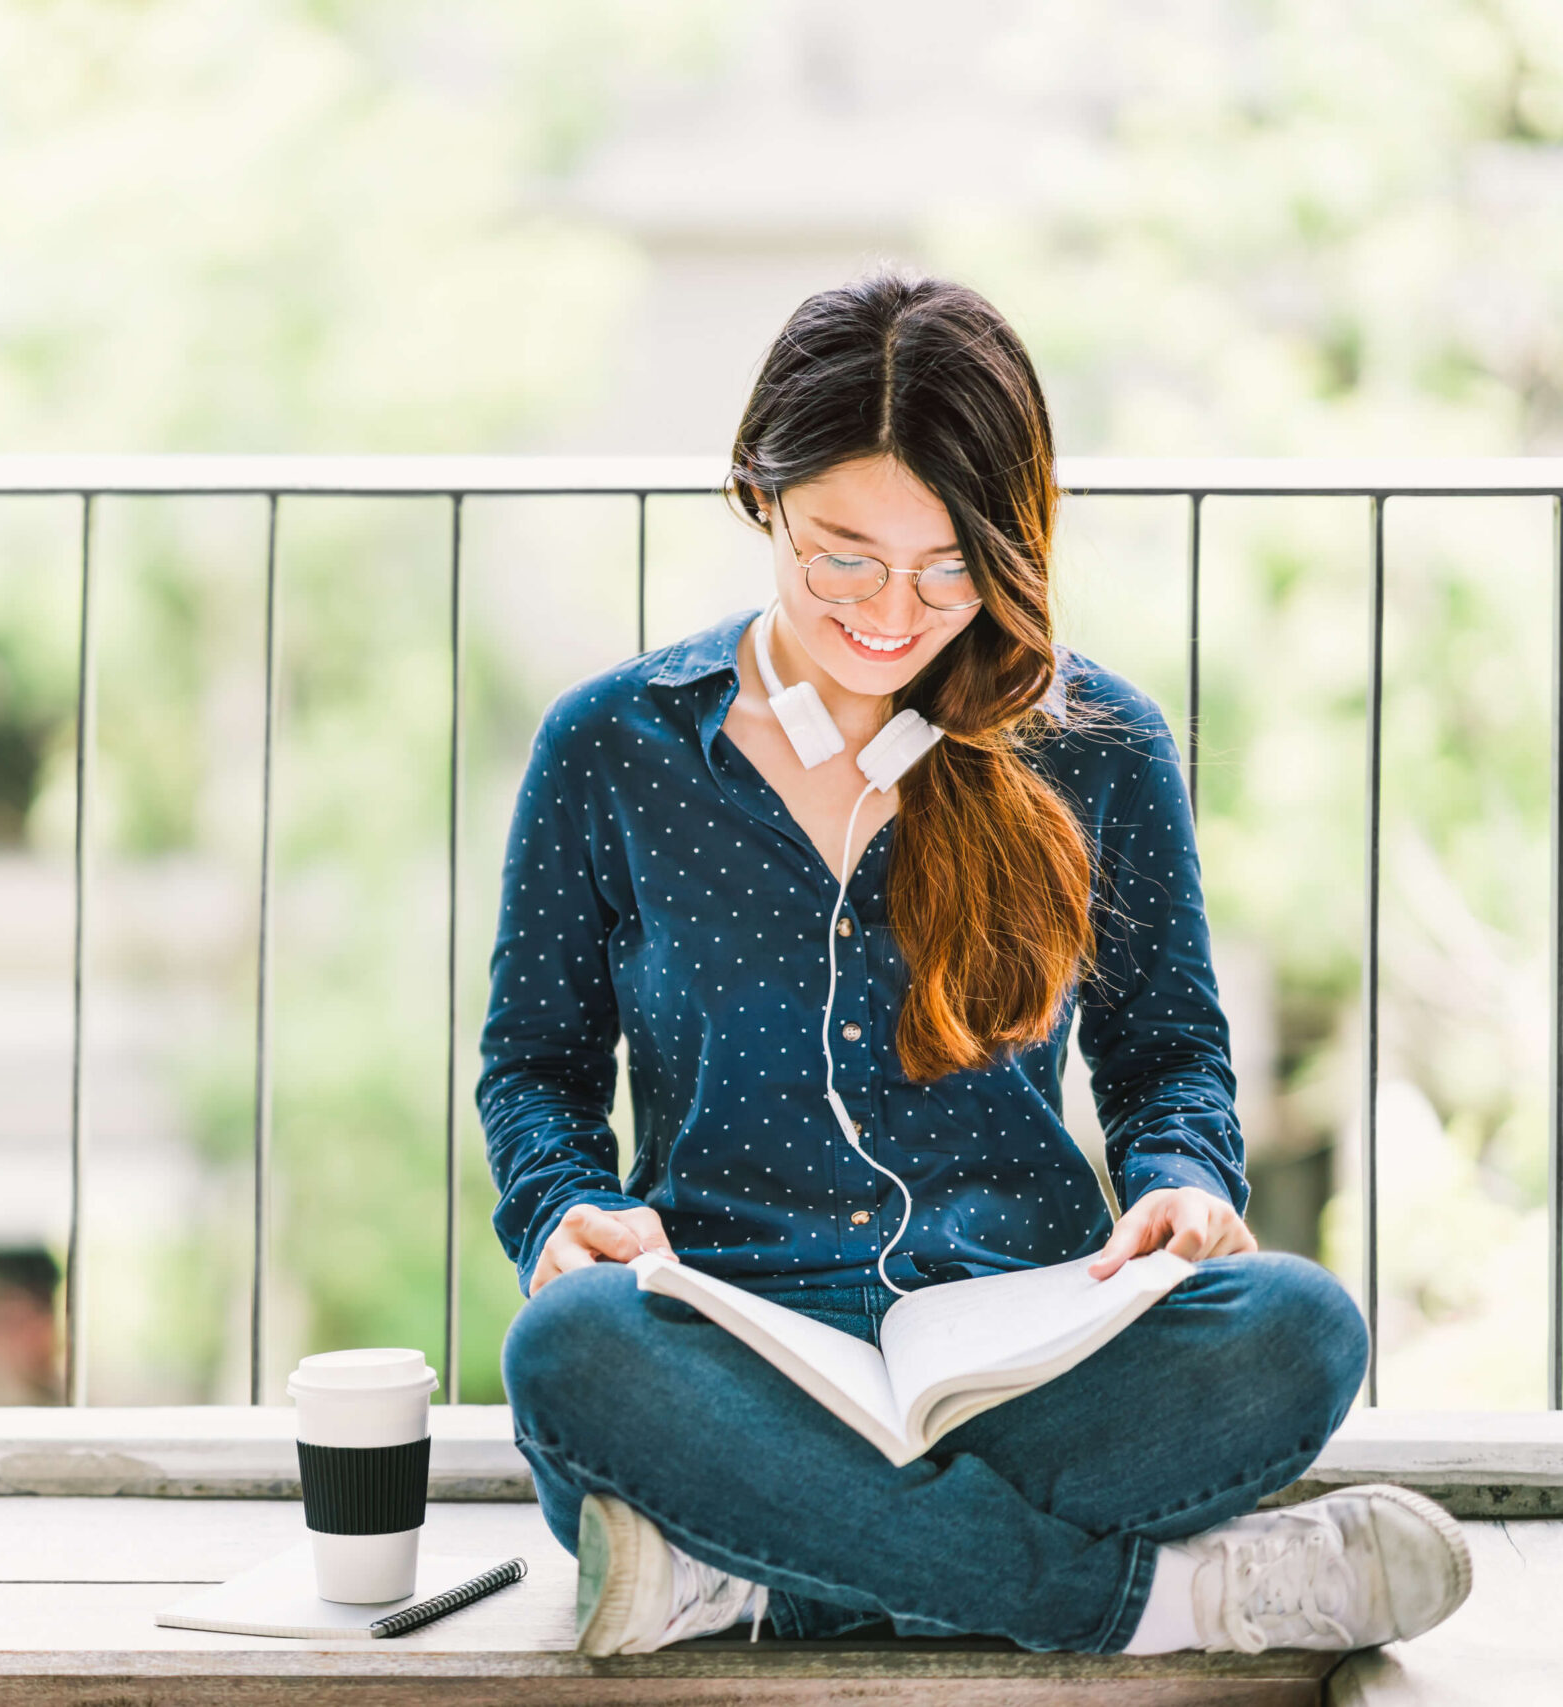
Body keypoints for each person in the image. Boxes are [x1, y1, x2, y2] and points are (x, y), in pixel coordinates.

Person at [478, 272, 1471, 1658]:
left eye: (952, 567)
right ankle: (1172, 1600)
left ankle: (750, 1574)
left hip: (1025, 1344)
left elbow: (1167, 1053)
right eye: (844, 555)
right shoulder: (611, 748)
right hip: (731, 1358)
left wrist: (1182, 1185)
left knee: (1300, 1332)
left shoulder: (1097, 744)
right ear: (759, 494)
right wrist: (563, 1210)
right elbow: (535, 1068)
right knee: (569, 1356)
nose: (893, 612)